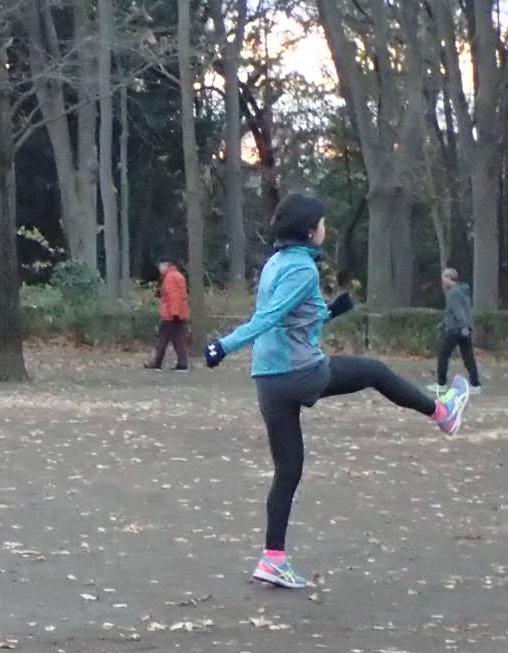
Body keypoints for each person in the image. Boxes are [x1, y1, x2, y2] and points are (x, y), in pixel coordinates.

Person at [204, 193, 471, 590]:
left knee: (288, 470)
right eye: (323, 223)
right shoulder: (302, 269)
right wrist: (222, 346)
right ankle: (442, 413)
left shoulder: (275, 263)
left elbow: (292, 321)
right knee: (375, 371)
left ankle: (272, 560)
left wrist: (331, 311)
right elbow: (269, 318)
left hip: (269, 380)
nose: (325, 228)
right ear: (311, 231)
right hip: (300, 372)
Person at [437, 265, 481, 390]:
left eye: (443, 278)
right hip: (464, 329)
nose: (442, 281)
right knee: (468, 358)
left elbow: (458, 311)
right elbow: (464, 311)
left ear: (449, 278)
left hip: (455, 329)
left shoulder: (453, 293)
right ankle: (475, 384)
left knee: (443, 355)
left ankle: (441, 384)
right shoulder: (463, 291)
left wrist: (462, 325)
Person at [145, 257, 192, 370]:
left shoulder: (169, 278)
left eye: (160, 266)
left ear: (165, 265)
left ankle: (156, 362)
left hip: (170, 315)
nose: (159, 269)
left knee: (162, 339)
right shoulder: (179, 276)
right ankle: (182, 363)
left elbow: (173, 296)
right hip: (181, 314)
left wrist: (174, 313)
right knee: (179, 340)